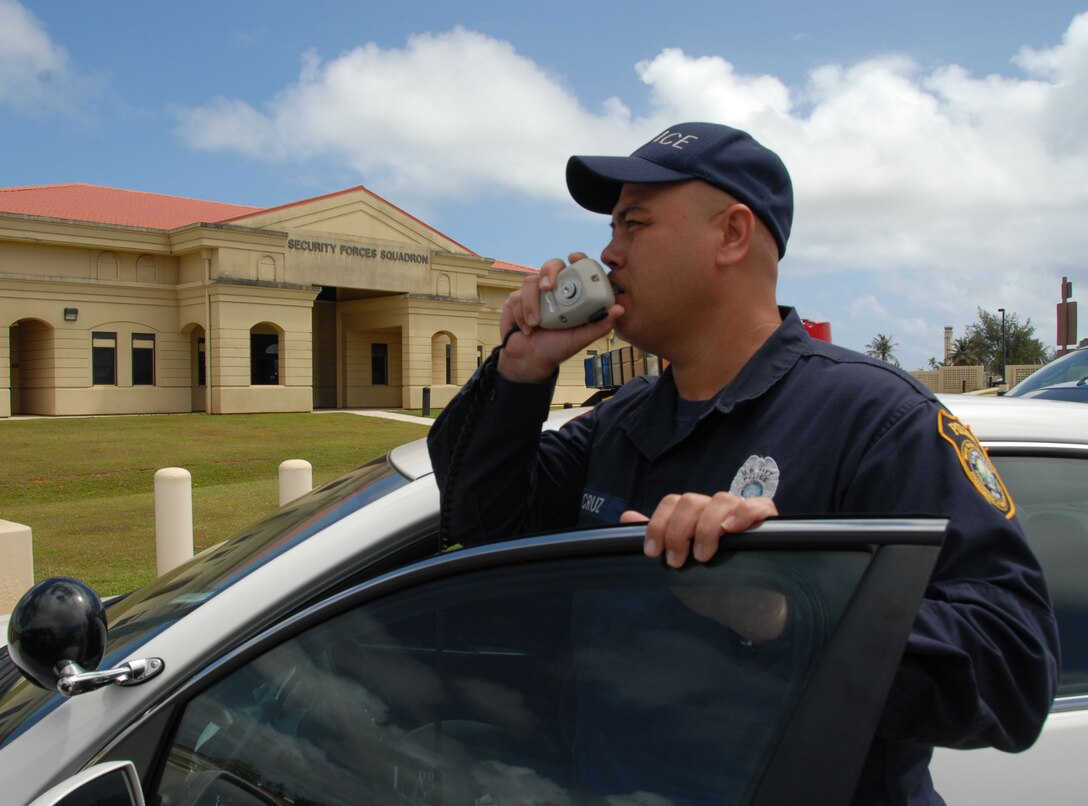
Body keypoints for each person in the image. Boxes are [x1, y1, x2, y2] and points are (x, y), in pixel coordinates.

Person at [427, 121, 1060, 804]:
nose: (608, 254)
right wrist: (519, 373)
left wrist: (790, 606)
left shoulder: (878, 420)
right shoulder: (625, 419)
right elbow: (483, 517)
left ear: (732, 235)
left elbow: (1014, 671)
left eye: (633, 224)